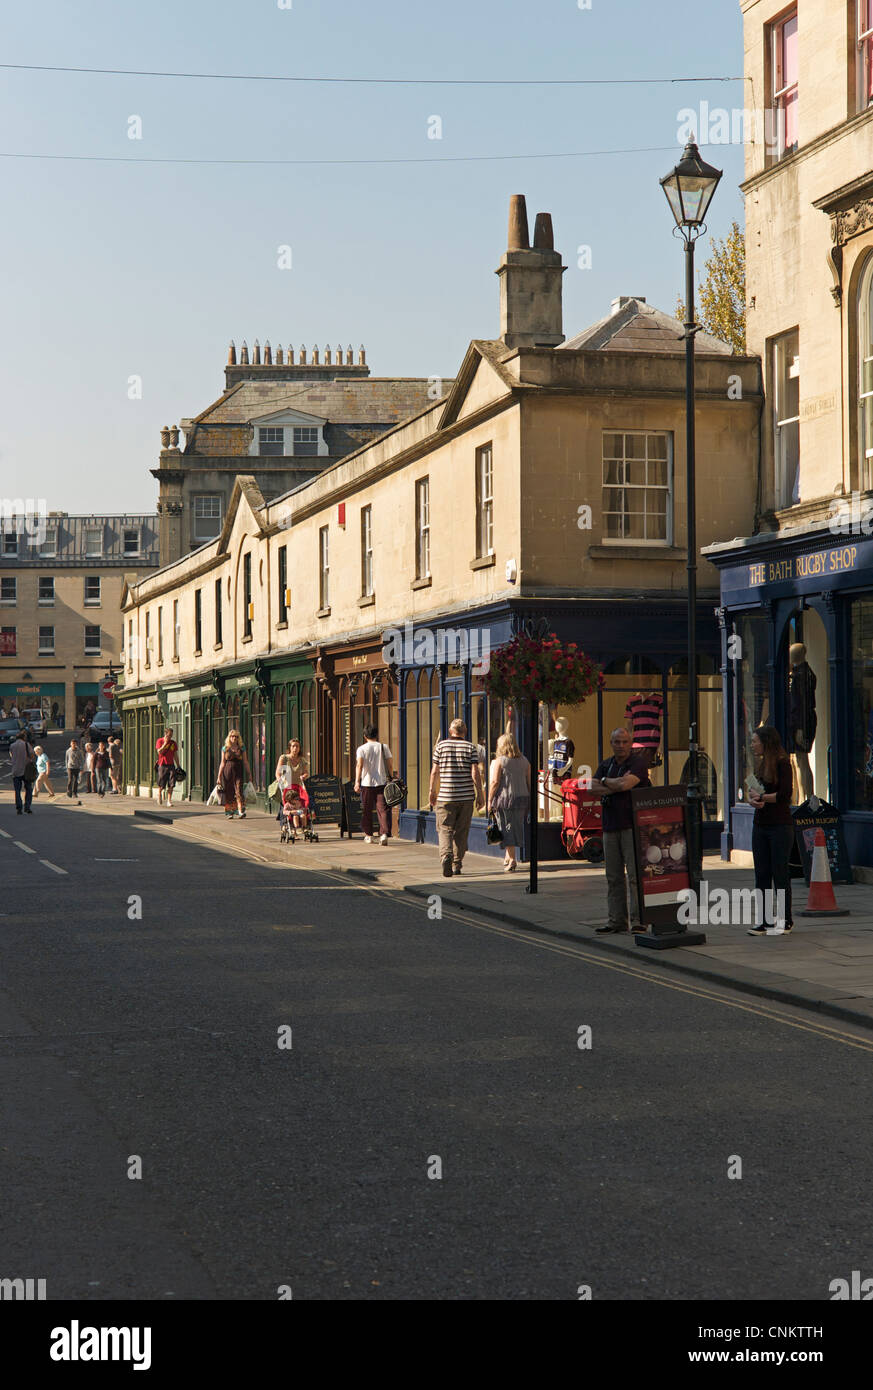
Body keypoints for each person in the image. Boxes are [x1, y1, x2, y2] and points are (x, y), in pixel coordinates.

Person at [589, 727, 651, 934]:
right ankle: (616, 920)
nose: (621, 745)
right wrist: (611, 784)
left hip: (632, 826)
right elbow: (592, 787)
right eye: (617, 742)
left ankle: (638, 921)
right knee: (613, 877)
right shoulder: (606, 764)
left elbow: (626, 784)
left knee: (635, 876)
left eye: (625, 742)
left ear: (630, 743)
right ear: (611, 743)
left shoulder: (638, 763)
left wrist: (607, 783)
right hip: (610, 826)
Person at [746, 726, 794, 936]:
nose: (752, 744)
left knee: (780, 873)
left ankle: (785, 920)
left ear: (766, 741)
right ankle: (764, 921)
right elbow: (753, 790)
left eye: (755, 741)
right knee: (762, 874)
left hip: (780, 826)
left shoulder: (783, 763)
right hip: (761, 825)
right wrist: (751, 799)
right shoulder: (762, 763)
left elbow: (785, 794)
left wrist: (763, 798)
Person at [429, 718, 484, 877]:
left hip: (445, 796)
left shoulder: (440, 746)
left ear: (450, 731)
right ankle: (457, 864)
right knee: (461, 831)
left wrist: (432, 791)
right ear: (464, 732)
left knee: (445, 829)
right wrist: (480, 794)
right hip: (466, 797)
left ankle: (446, 855)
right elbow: (475, 773)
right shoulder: (470, 747)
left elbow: (434, 772)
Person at [488, 731, 531, 872]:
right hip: (522, 799)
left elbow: (495, 782)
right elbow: (530, 783)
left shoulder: (500, 761)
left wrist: (489, 800)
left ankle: (512, 859)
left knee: (507, 828)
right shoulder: (525, 761)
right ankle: (508, 856)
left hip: (505, 799)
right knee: (515, 827)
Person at [354, 724, 394, 845]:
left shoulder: (361, 749)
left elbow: (359, 766)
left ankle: (369, 835)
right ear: (376, 735)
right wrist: (390, 778)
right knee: (383, 810)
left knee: (367, 809)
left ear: (365, 736)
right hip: (382, 782)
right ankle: (383, 834)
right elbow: (390, 765)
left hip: (366, 783)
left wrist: (357, 782)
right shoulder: (384, 747)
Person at [216, 728, 251, 819]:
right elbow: (222, 763)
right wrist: (219, 777)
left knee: (239, 790)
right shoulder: (225, 748)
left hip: (238, 770)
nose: (234, 738)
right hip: (228, 771)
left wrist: (249, 773)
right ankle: (230, 812)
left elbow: (246, 761)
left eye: (236, 736)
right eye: (232, 736)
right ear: (229, 737)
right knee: (229, 791)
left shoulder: (242, 748)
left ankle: (240, 811)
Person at [275, 739, 309, 831]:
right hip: (287, 786)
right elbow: (278, 772)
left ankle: (303, 826)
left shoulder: (302, 760)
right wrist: (280, 780)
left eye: (297, 746)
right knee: (285, 805)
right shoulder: (284, 758)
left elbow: (306, 772)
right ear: (289, 748)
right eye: (293, 746)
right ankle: (284, 825)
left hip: (298, 786)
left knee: (300, 804)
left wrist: (303, 776)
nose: (295, 748)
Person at [10, 727, 35, 814]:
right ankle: (27, 807)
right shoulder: (26, 744)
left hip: (16, 770)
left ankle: (19, 808)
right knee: (28, 789)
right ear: (23, 738)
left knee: (17, 790)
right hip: (26, 770)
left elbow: (11, 756)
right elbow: (32, 755)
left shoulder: (12, 746)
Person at [155, 727, 178, 807]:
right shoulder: (160, 741)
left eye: (171, 735)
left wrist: (178, 765)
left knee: (171, 783)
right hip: (162, 764)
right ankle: (159, 794)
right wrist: (165, 744)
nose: (170, 736)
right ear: (165, 734)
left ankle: (169, 800)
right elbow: (159, 752)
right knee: (161, 783)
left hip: (171, 764)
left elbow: (175, 755)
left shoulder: (173, 743)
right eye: (169, 735)